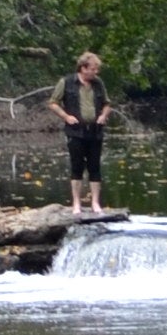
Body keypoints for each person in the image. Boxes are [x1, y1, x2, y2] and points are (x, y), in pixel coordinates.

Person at [47, 51, 112, 214]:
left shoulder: (98, 84)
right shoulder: (67, 82)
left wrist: (104, 115)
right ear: (83, 68)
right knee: (76, 167)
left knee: (95, 167)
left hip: (95, 131)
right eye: (93, 69)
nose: (96, 72)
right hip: (75, 131)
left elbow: (107, 103)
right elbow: (53, 103)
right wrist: (66, 116)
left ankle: (95, 203)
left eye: (97, 69)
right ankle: (76, 203)